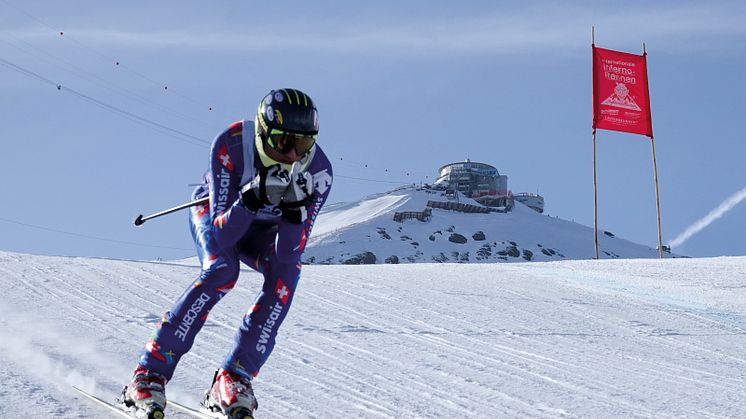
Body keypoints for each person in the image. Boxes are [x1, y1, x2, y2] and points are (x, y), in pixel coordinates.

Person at [121, 88, 333, 419]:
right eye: (282, 142)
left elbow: (290, 254)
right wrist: (250, 198)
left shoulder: (319, 173)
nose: (292, 154)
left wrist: (294, 213)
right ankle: (149, 373)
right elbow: (223, 233)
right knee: (222, 270)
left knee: (287, 274)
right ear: (263, 133)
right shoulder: (233, 143)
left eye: (303, 144)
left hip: (266, 230)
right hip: (220, 214)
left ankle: (235, 376)